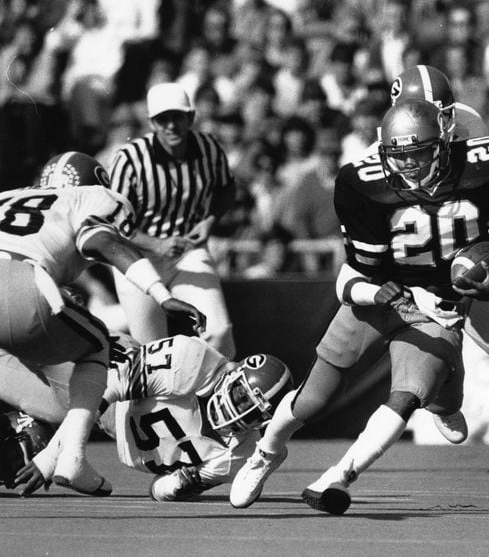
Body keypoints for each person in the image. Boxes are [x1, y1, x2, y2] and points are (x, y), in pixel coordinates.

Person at [230, 95, 489, 512]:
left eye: (420, 153)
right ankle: (267, 451)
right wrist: (378, 292)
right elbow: (350, 275)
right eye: (401, 156)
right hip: (391, 291)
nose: (410, 166)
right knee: (313, 398)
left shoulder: (486, 157)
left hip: (459, 289)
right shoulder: (365, 183)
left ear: (446, 133)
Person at [0, 150, 205, 496]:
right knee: (100, 350)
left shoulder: (8, 196)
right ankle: (71, 459)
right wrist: (161, 294)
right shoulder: (89, 197)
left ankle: (38, 443)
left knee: (58, 407)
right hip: (19, 286)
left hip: (18, 307)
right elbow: (103, 242)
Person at [5, 333, 293, 501]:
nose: (241, 411)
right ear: (233, 374)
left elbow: (160, 490)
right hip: (92, 365)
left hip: (102, 419)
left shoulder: (242, 454)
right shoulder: (191, 360)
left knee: (21, 449)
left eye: (255, 413)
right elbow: (108, 383)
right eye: (242, 397)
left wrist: (183, 484)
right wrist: (54, 458)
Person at [109, 82, 236, 357]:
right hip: (136, 258)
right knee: (152, 351)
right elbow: (113, 220)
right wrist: (155, 244)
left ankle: (212, 396)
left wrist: (210, 220)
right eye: (162, 119)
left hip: (187, 251)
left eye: (177, 117)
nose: (171, 126)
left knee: (219, 331)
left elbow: (227, 187)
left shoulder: (209, 147)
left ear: (190, 117)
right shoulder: (130, 159)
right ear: (152, 124)